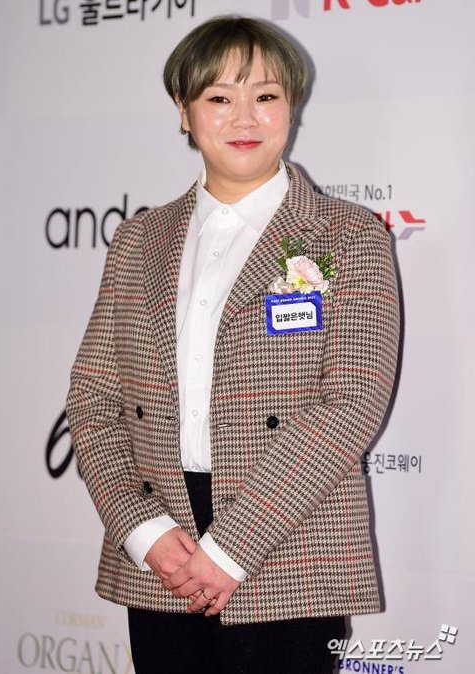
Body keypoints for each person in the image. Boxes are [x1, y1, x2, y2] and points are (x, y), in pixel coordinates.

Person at [66, 15, 400, 674]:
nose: (244, 117)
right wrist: (142, 528)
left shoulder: (347, 235)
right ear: (184, 111)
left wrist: (231, 548)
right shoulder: (138, 241)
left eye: (266, 95)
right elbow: (93, 400)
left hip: (288, 541)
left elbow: (352, 401)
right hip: (161, 550)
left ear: (291, 106)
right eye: (219, 97)